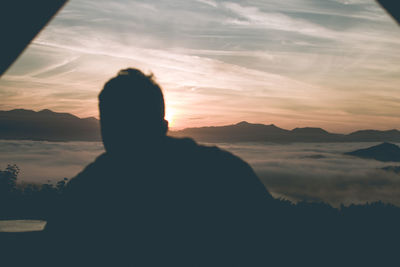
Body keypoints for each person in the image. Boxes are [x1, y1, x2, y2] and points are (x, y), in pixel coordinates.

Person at [45, 68, 273, 266]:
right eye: (116, 125)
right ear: (164, 125)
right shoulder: (225, 171)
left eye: (129, 124)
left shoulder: (88, 189)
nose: (122, 137)